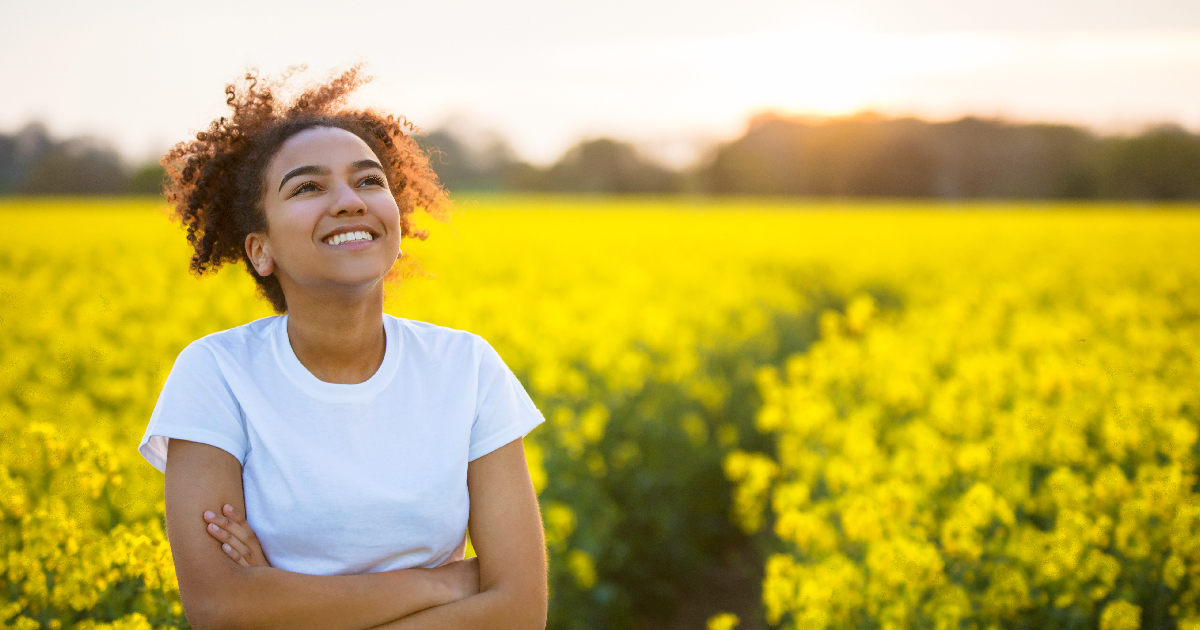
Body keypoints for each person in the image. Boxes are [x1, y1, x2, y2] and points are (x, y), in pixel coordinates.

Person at [136, 66, 548, 630]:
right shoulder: (216, 374)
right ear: (261, 250)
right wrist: (442, 583)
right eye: (307, 187)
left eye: (370, 181)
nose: (350, 201)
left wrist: (284, 601)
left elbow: (519, 610)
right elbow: (221, 607)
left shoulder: (467, 367)